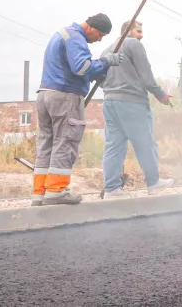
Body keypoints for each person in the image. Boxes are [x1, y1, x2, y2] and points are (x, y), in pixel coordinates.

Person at [34, 13, 124, 206]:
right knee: (65, 142)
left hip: (45, 94)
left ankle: (40, 193)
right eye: (100, 35)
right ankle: (56, 192)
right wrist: (106, 62)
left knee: (46, 144)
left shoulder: (62, 34)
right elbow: (82, 67)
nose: (99, 40)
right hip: (64, 96)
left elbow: (74, 69)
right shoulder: (76, 38)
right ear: (90, 27)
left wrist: (96, 72)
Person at [100, 20, 175, 198]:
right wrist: (161, 95)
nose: (141, 35)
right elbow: (146, 75)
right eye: (139, 31)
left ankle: (111, 189)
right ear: (127, 31)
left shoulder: (106, 50)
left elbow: (100, 79)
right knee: (145, 143)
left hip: (109, 103)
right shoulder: (133, 45)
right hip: (132, 103)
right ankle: (153, 183)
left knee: (113, 147)